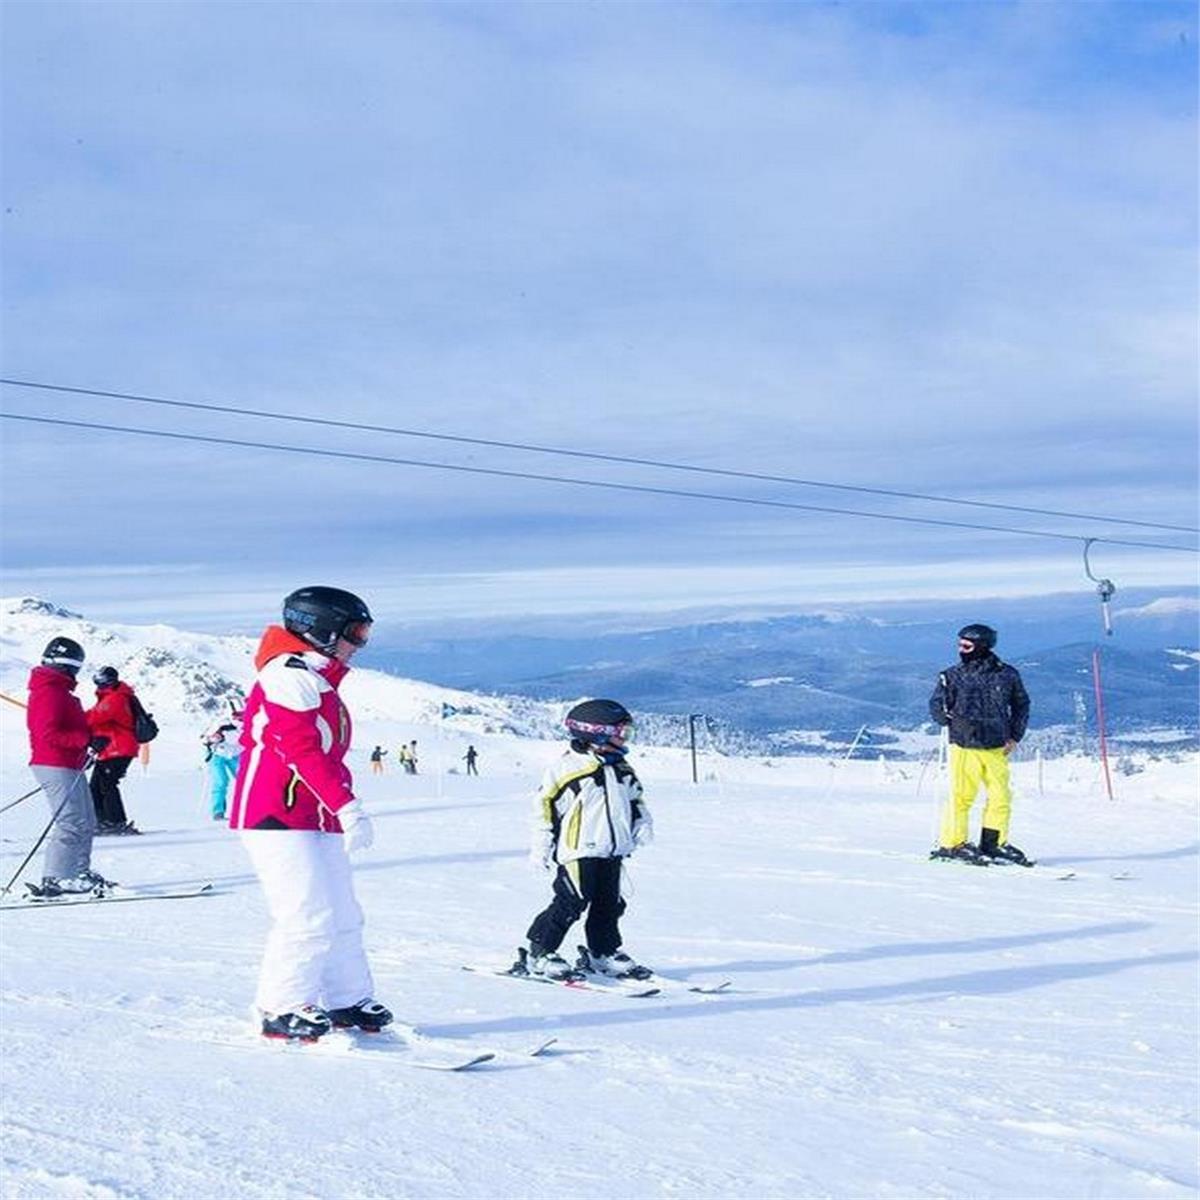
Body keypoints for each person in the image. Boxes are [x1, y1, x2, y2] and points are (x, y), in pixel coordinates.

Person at [227, 585, 392, 1042]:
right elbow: (298, 748)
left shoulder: (316, 676)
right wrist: (347, 807)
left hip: (314, 813)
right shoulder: (288, 675)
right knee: (305, 914)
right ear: (320, 631)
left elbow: (328, 756)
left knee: (343, 911)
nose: (359, 644)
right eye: (355, 633)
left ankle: (346, 998)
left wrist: (340, 806)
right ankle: (280, 1007)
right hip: (274, 813)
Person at [513, 699, 654, 981]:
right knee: (571, 901)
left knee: (609, 904)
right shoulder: (568, 769)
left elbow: (635, 799)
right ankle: (539, 952)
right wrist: (542, 845)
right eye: (621, 732)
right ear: (595, 732)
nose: (625, 739)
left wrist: (642, 823)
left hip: (613, 850)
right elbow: (544, 808)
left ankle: (603, 952)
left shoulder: (621, 768)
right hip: (578, 849)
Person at [928, 623, 1032, 865]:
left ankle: (993, 843)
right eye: (959, 645)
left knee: (1000, 796)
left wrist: (1015, 735)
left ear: (982, 646)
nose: (961, 649)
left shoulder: (1006, 674)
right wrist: (942, 716)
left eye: (966, 645)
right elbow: (936, 704)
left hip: (996, 744)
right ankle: (953, 844)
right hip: (965, 744)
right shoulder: (952, 676)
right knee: (962, 796)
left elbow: (1021, 704)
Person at [24, 637, 114, 895]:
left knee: (86, 820)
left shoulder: (59, 691)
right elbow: (47, 733)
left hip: (67, 763)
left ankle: (77, 873)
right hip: (54, 764)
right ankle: (56, 878)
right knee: (71, 821)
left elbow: (66, 729)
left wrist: (89, 742)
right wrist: (86, 740)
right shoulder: (48, 691)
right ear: (69, 666)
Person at [85, 666, 142, 835]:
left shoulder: (115, 699)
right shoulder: (111, 697)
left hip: (119, 748)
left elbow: (95, 716)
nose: (98, 686)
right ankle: (101, 821)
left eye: (100, 682)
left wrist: (72, 718)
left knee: (107, 784)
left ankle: (115, 822)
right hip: (110, 749)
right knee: (96, 786)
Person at [202, 704, 243, 821]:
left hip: (236, 754)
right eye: (236, 714)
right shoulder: (220, 723)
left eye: (241, 714)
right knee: (221, 781)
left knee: (245, 781)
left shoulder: (249, 724)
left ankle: (245, 809)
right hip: (217, 755)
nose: (238, 717)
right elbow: (204, 738)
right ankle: (218, 812)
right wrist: (212, 739)